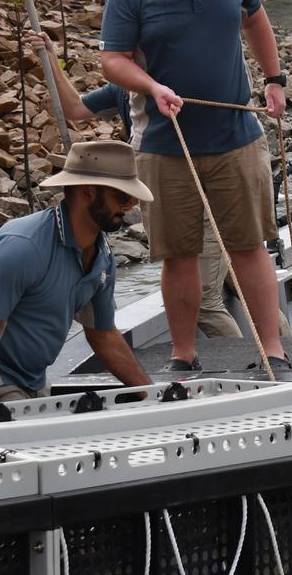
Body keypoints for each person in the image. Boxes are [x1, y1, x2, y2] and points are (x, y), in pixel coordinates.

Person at [100, 0, 290, 372]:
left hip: (237, 138)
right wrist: (153, 87)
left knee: (249, 245)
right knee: (178, 253)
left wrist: (274, 79)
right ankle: (183, 356)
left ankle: (274, 352)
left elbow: (254, 20)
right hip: (162, 143)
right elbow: (112, 60)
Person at [32, 30, 247, 341]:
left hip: (206, 201)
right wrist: (51, 59)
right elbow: (74, 110)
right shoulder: (121, 90)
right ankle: (282, 353)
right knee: (237, 283)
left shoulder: (183, 81)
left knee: (208, 301)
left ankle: (258, 375)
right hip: (180, 205)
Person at [0, 140, 154, 406]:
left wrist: (153, 395)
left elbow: (103, 334)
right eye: (122, 196)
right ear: (87, 191)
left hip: (33, 378)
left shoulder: (102, 255)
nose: (131, 204)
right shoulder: (24, 247)